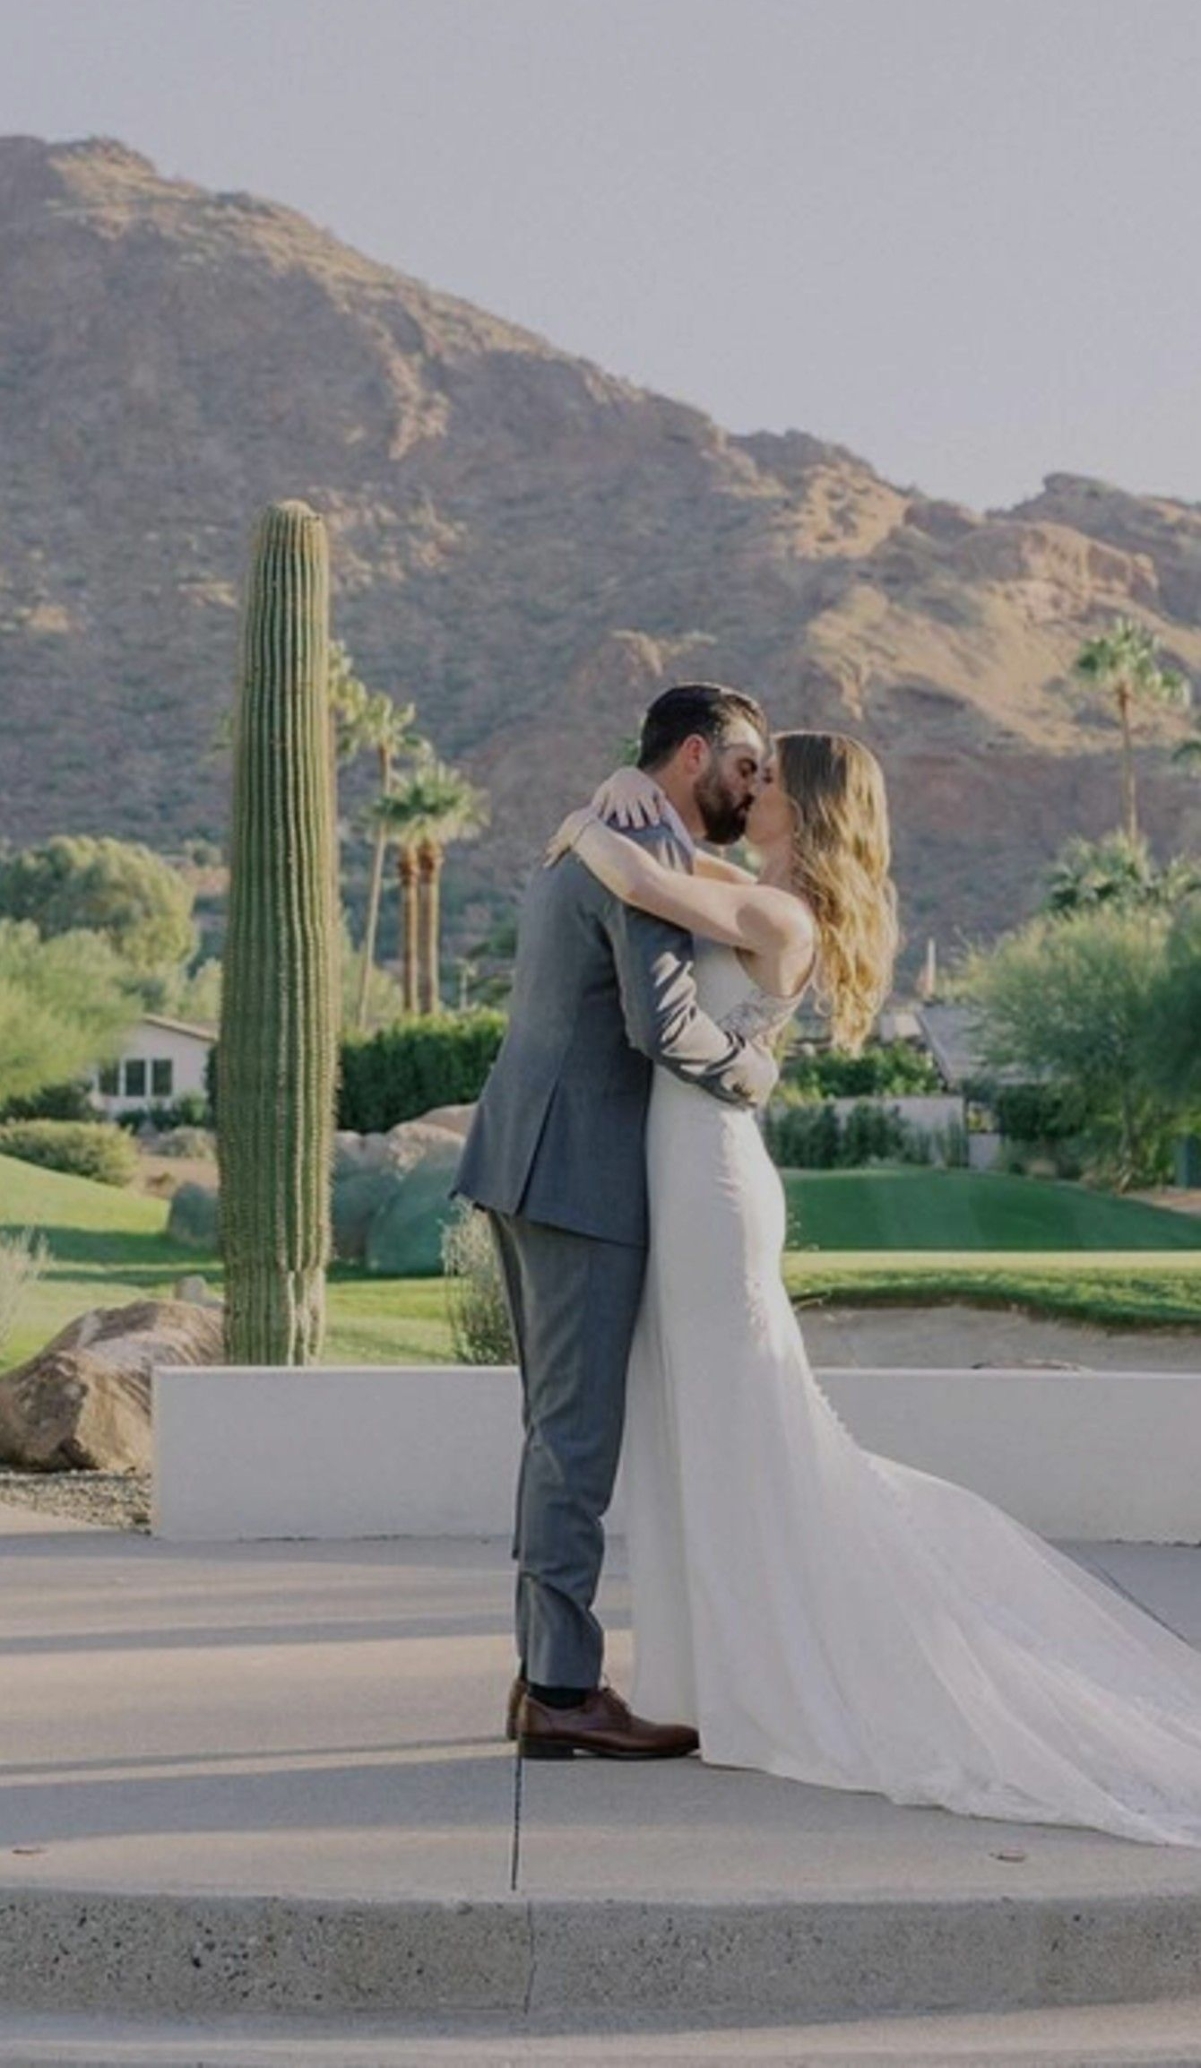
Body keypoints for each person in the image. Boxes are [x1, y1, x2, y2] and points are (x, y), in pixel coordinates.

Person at [549, 731, 1201, 1846]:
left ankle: (756, 1680)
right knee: (703, 1429)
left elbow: (639, 873)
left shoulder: (783, 917)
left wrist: (588, 821)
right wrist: (618, 790)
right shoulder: (754, 888)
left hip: (709, 1186)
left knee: (737, 1426)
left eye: (765, 780)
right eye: (743, 774)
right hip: (684, 1173)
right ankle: (707, 1678)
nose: (745, 791)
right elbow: (658, 860)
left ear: (803, 804)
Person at [454, 683, 779, 1761]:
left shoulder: (610, 833)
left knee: (557, 1430)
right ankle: (559, 1685)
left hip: (527, 1157)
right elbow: (664, 1024)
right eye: (743, 764)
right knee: (576, 1438)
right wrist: (751, 1069)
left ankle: (542, 1671)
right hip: (581, 1177)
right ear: (694, 754)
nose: (751, 785)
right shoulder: (637, 841)